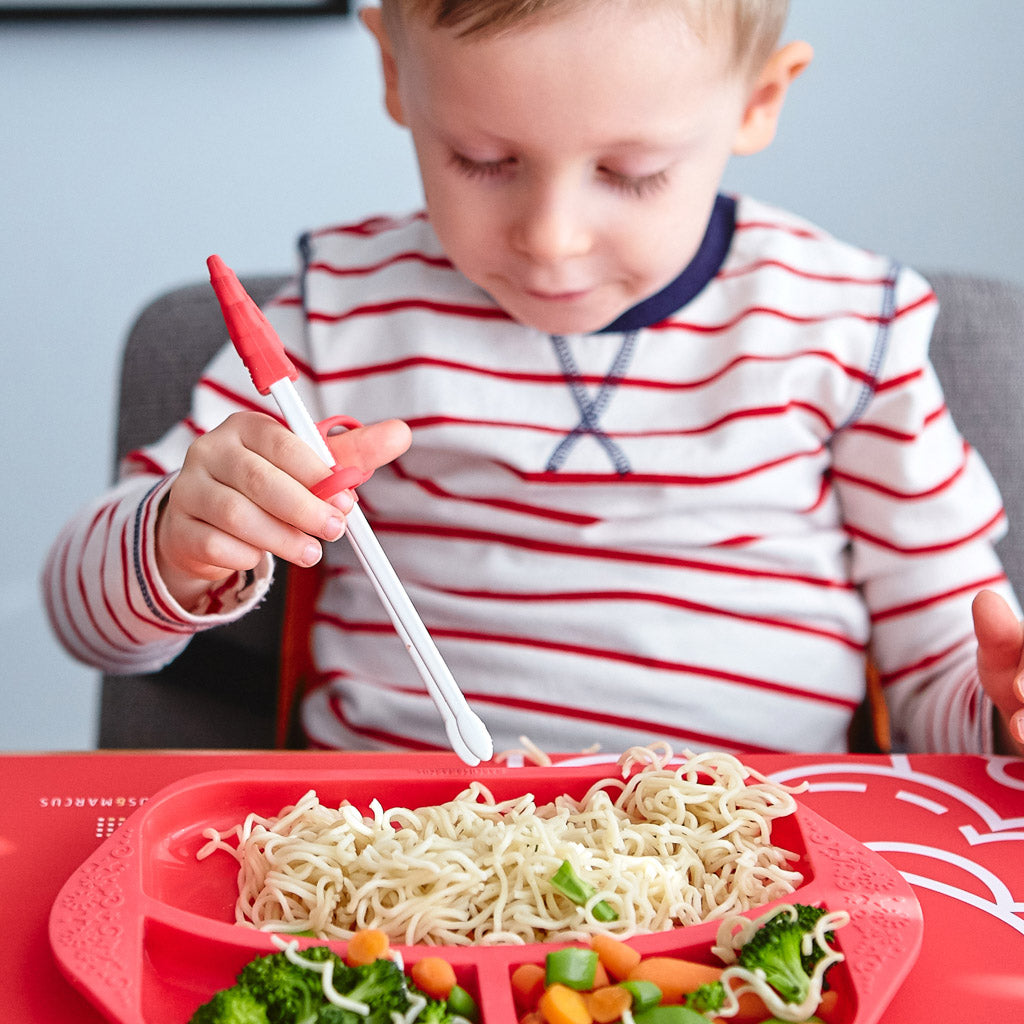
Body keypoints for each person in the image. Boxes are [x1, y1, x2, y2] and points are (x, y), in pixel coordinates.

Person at [44, 0, 1024, 757]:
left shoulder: (848, 327)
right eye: (483, 159)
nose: (550, 240)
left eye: (632, 172)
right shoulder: (341, 313)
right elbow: (84, 620)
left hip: (748, 861)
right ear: (394, 71)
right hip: (399, 863)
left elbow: (942, 675)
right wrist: (177, 542)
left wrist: (1000, 714)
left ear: (759, 101)